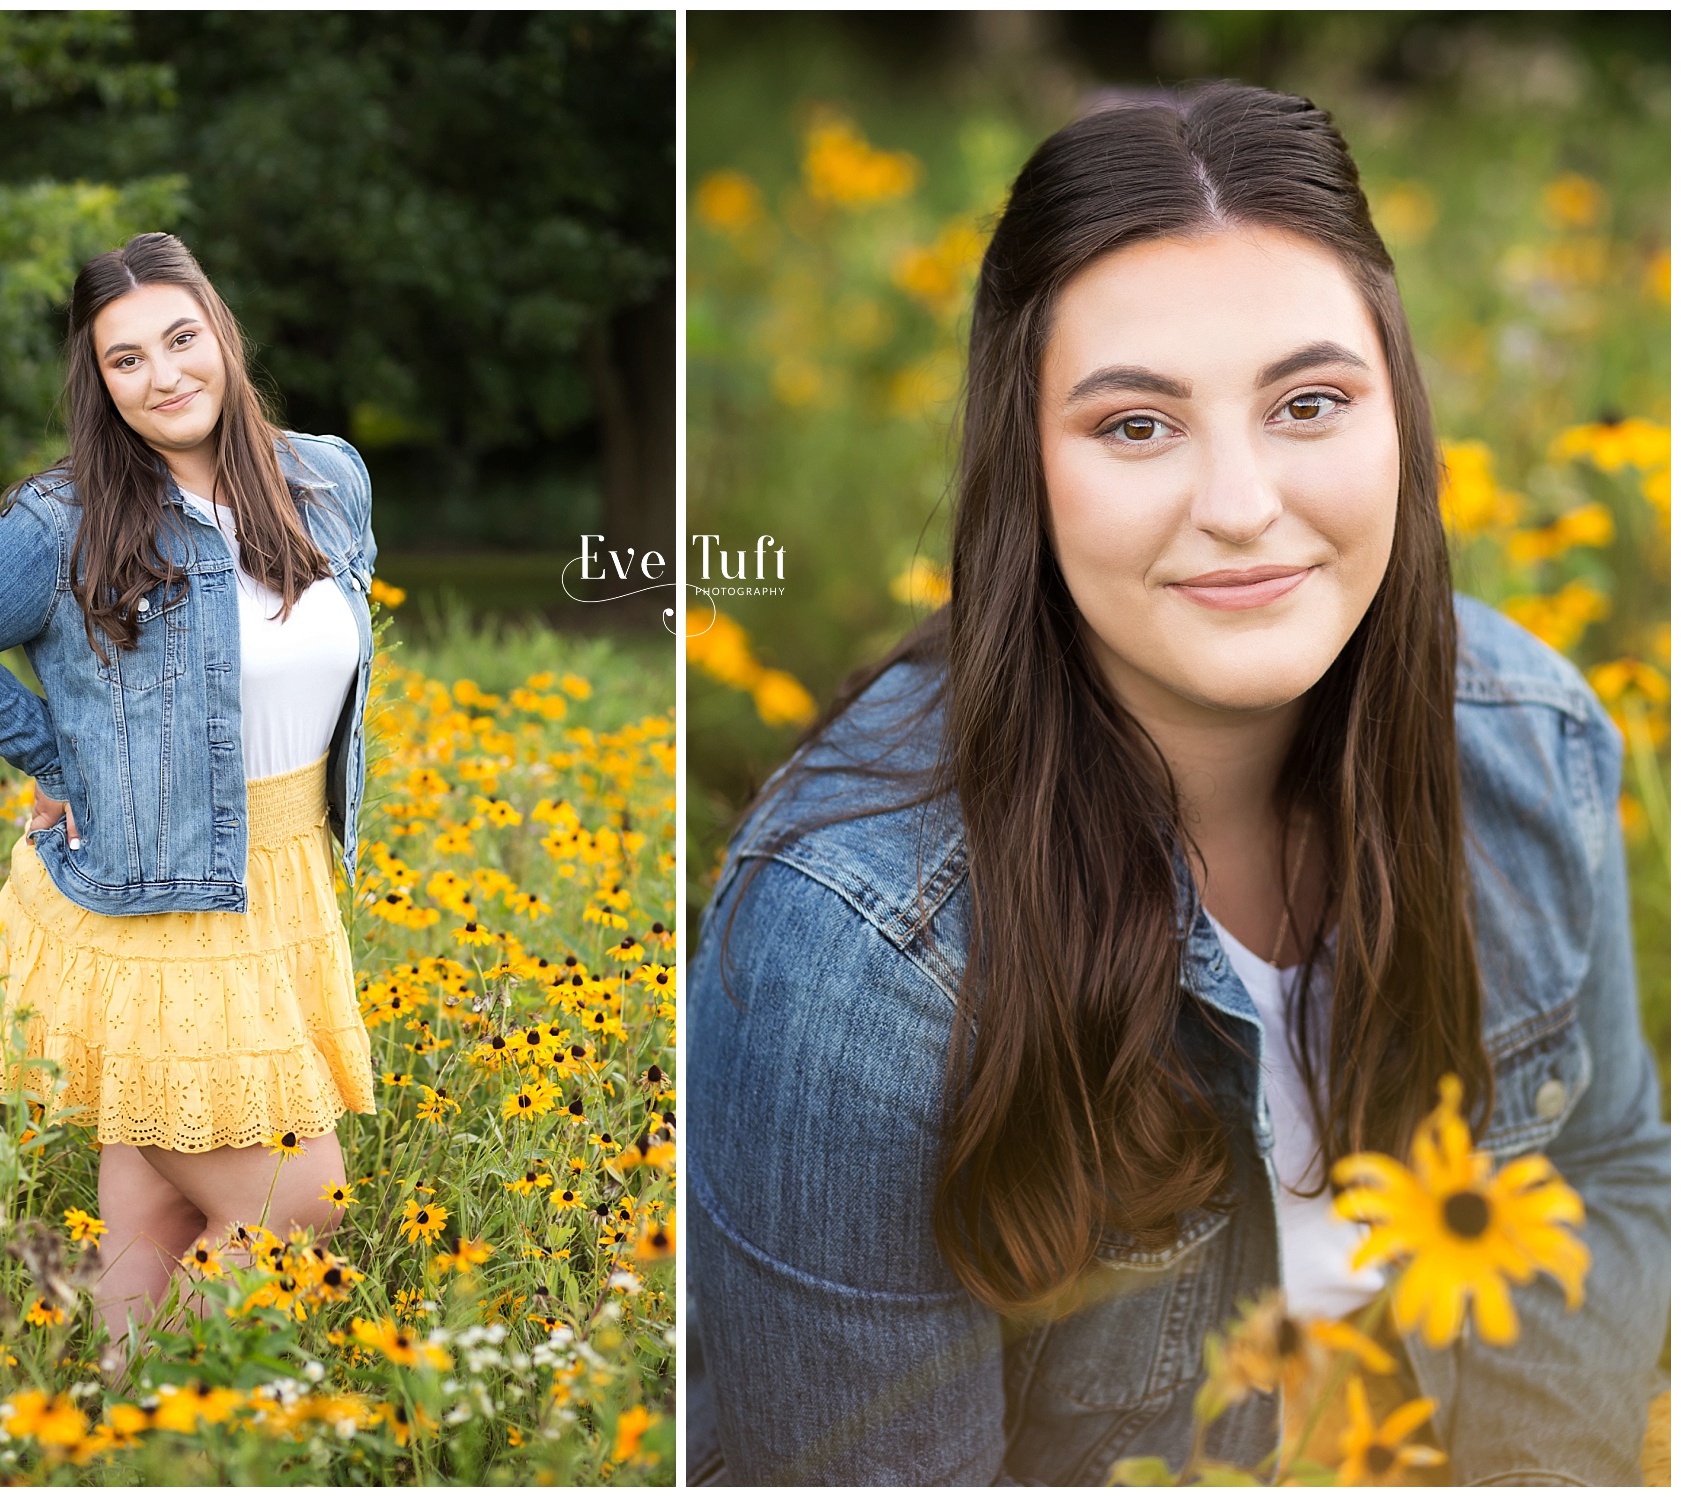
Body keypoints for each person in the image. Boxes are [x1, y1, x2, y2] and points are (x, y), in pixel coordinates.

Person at [688, 83, 1668, 1485]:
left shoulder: (1527, 739)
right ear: (1025, 467)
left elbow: (1607, 1171)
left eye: (1310, 403)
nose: (1242, 502)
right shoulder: (852, 960)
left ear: (1403, 418)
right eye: (1137, 426)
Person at [0, 231, 378, 1359]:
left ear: (221, 337)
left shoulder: (328, 479)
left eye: (181, 339)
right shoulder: (69, 521)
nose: (165, 375)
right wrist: (56, 762)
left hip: (288, 885)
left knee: (155, 1223)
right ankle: (169, 1427)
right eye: (126, 360)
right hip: (156, 901)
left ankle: (109, 1436)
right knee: (298, 1205)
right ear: (99, 383)